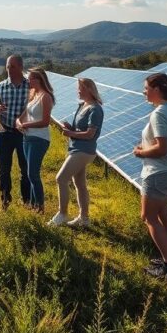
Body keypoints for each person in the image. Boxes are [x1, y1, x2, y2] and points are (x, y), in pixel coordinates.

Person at [133, 72, 167, 280]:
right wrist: (145, 147)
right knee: (164, 213)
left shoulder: (159, 114)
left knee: (148, 217)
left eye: (146, 88)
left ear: (156, 89)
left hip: (157, 173)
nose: (144, 92)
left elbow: (162, 148)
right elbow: (162, 144)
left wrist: (140, 152)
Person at [48, 78, 104, 228]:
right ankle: (84, 219)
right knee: (79, 184)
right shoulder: (82, 106)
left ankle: (62, 214)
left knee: (61, 179)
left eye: (79, 88)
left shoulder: (95, 109)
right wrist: (70, 128)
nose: (77, 91)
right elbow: (78, 129)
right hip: (77, 148)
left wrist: (70, 133)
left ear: (88, 89)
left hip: (83, 150)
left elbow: (90, 134)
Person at [0, 54, 30, 210]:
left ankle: (27, 201)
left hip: (24, 134)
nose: (9, 70)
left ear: (20, 67)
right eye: (7, 66)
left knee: (25, 169)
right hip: (4, 133)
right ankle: (5, 199)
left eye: (12, 66)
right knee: (4, 169)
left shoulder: (29, 86)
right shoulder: (1, 87)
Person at [15, 68, 54, 212]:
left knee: (33, 173)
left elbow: (45, 121)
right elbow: (22, 116)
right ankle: (33, 204)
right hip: (27, 137)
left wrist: (25, 124)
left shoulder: (46, 97)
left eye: (31, 78)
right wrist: (19, 123)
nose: (28, 81)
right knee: (29, 173)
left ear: (39, 79)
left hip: (39, 139)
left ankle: (40, 206)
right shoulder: (33, 95)